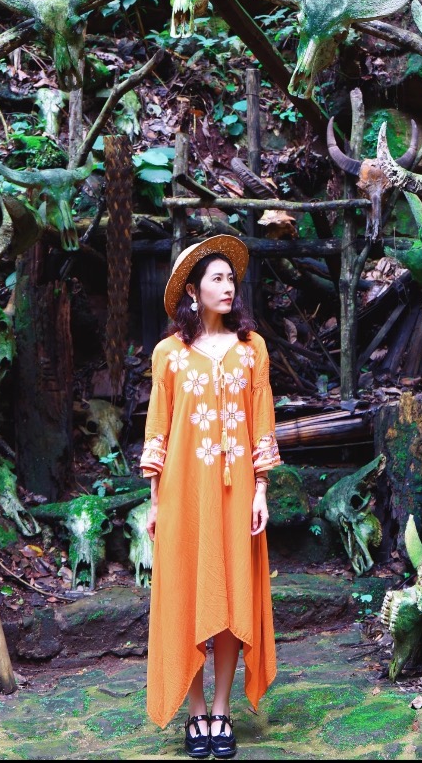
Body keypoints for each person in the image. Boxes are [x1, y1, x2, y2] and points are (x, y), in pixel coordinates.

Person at [140, 234, 282, 758]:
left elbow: (262, 421)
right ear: (193, 290)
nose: (228, 287)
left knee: (231, 596)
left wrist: (261, 489)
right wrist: (155, 500)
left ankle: (222, 710)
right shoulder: (169, 355)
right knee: (186, 595)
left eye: (231, 279)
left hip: (238, 491)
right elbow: (158, 428)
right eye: (217, 279)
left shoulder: (252, 348)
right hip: (183, 492)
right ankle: (195, 712)